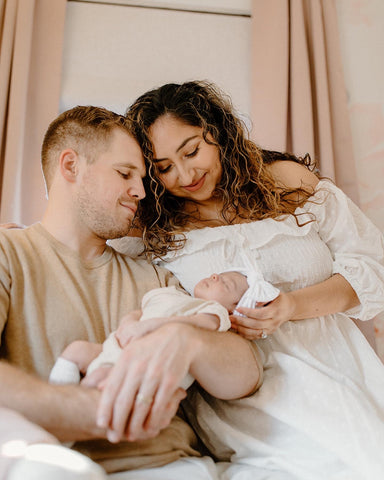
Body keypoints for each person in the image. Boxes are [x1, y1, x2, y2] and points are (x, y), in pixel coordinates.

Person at [103, 80, 384, 479]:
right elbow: (84, 243)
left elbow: (371, 267)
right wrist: (23, 238)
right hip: (244, 390)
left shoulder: (287, 181)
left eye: (192, 151)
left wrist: (291, 306)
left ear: (216, 132)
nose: (185, 174)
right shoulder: (156, 226)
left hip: (337, 365)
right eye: (164, 168)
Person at [0, 105, 262, 479]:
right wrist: (97, 410)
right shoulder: (9, 254)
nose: (140, 191)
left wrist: (187, 341)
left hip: (181, 467)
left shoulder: (154, 278)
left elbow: (246, 377)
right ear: (71, 166)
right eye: (125, 174)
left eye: (142, 178)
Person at [50, 267, 277, 389]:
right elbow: (138, 313)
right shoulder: (168, 293)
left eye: (226, 284)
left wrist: (151, 326)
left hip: (144, 366)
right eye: (218, 274)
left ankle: (61, 432)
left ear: (233, 309)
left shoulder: (214, 312)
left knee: (98, 378)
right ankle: (59, 400)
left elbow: (199, 325)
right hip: (116, 347)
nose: (216, 276)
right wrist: (128, 324)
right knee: (76, 350)